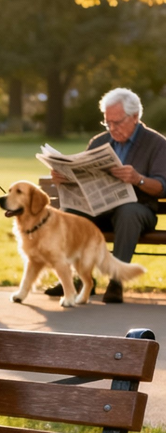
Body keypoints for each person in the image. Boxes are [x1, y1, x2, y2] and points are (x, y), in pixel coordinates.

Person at [47, 87, 166, 304]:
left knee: (128, 212)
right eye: (107, 122)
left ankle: (116, 282)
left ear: (135, 117)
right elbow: (83, 176)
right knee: (71, 215)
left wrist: (137, 178)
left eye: (117, 122)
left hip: (139, 211)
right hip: (100, 209)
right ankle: (78, 280)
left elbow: (162, 186)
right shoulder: (99, 142)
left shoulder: (157, 144)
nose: (112, 128)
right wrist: (65, 177)